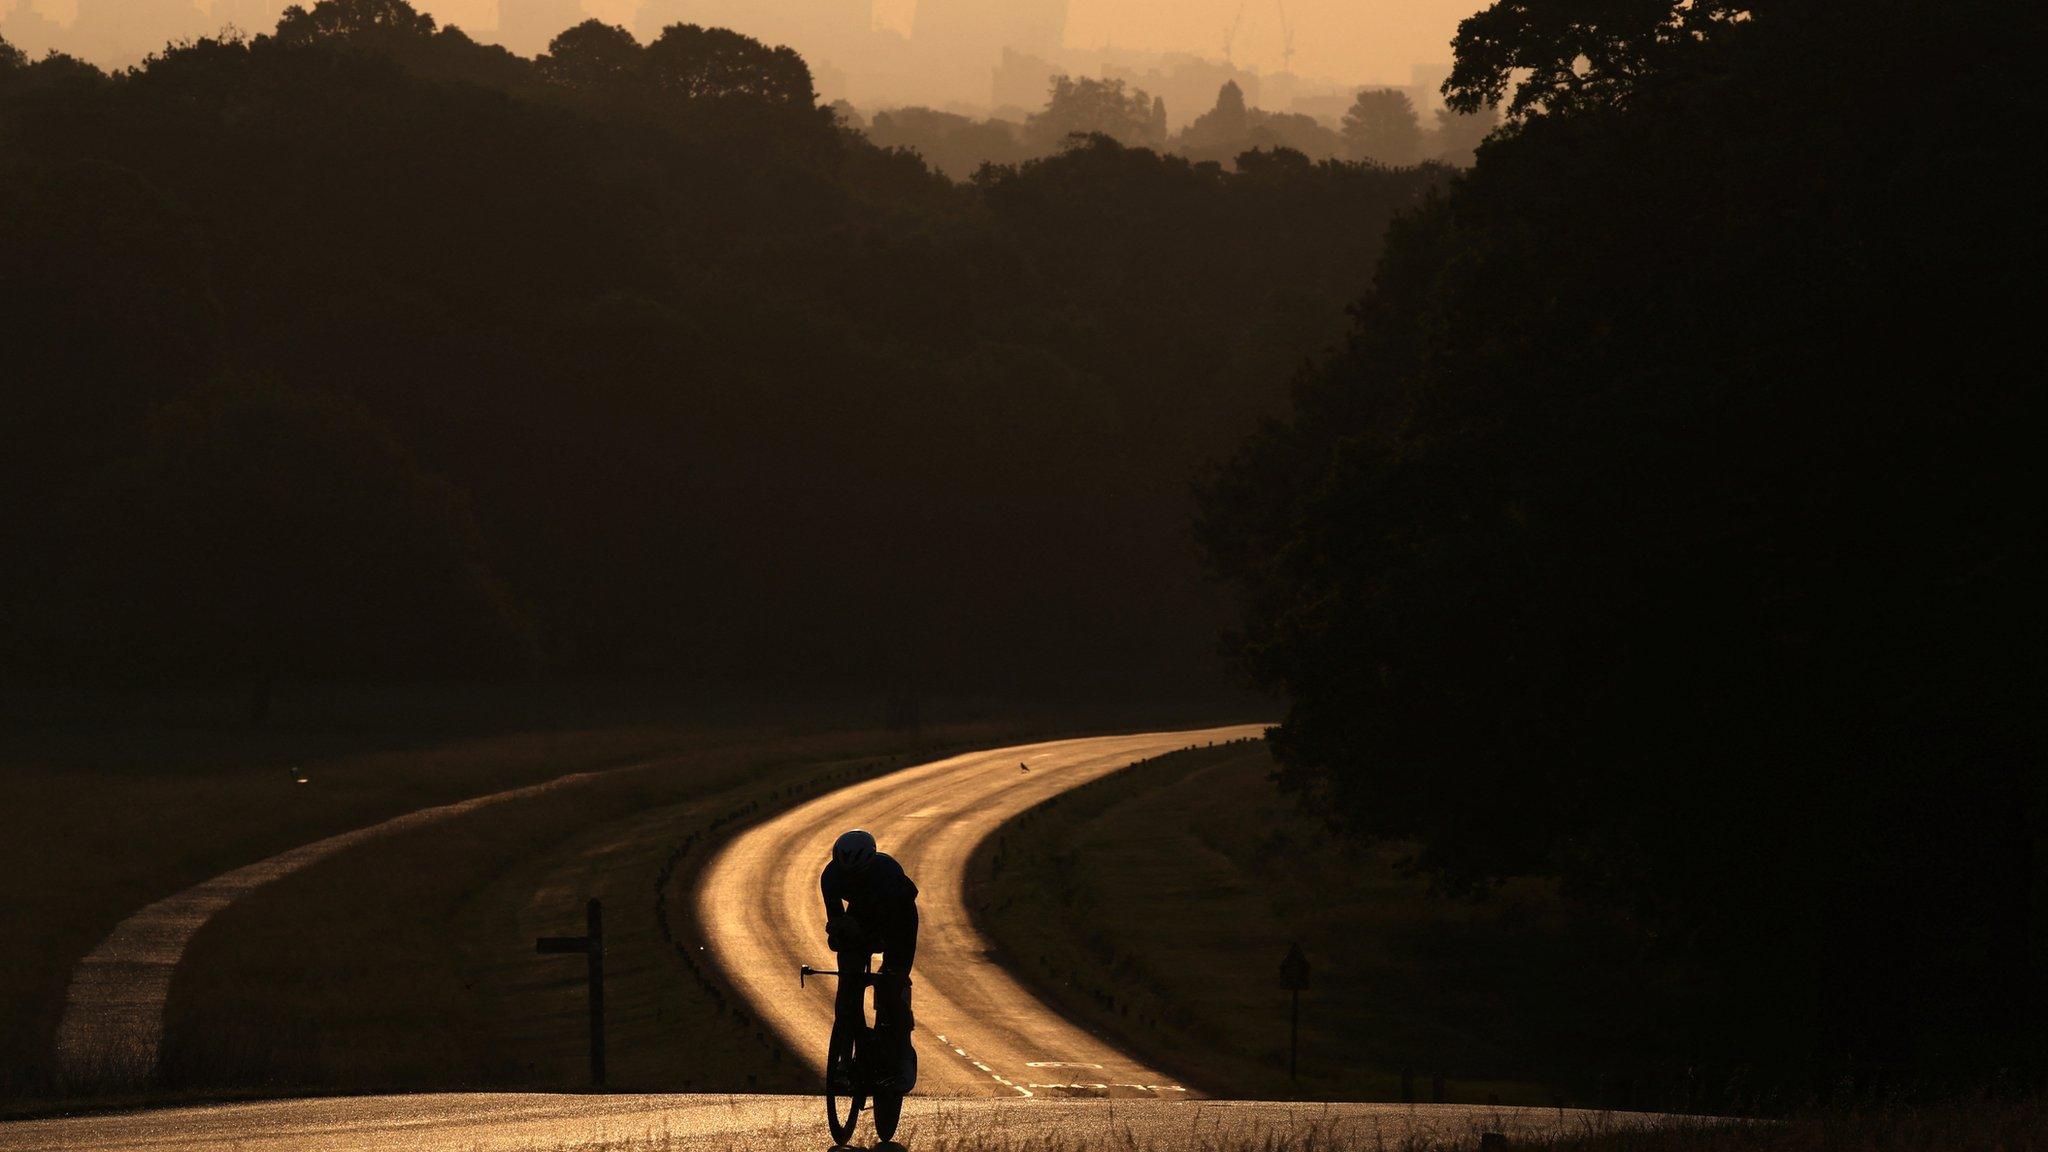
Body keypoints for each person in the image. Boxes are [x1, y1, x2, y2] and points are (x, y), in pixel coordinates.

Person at [821, 828, 919, 1090]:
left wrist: (865, 938)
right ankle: (843, 1061)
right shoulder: (831, 876)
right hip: (862, 915)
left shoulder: (888, 874)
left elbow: (893, 927)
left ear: (870, 863)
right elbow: (836, 918)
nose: (850, 878)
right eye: (846, 875)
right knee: (847, 990)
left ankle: (902, 1057)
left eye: (857, 875)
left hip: (899, 918)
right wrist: (840, 933)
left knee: (892, 984)